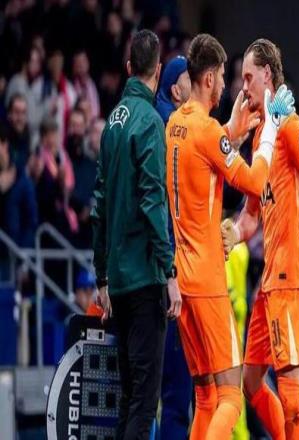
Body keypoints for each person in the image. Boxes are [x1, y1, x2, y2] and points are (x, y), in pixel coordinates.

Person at [165, 33, 295, 440]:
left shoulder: (175, 124)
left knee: (206, 397)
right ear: (209, 79)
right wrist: (270, 131)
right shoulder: (207, 131)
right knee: (231, 398)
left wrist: (232, 132)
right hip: (207, 281)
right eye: (223, 76)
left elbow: (204, 156)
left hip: (182, 277)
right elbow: (255, 180)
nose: (228, 85)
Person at [221, 38, 299, 439]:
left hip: (291, 276)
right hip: (269, 282)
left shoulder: (289, 126)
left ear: (268, 74)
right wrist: (232, 232)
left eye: (248, 78)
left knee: (291, 396)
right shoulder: (261, 138)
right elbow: (251, 215)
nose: (243, 88)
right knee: (251, 381)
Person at [91, 29, 181, 440]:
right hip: (145, 279)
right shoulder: (150, 121)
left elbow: (99, 205)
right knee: (144, 404)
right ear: (158, 71)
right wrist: (169, 270)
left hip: (118, 282)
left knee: (128, 399)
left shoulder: (111, 123)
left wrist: (102, 277)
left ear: (129, 67)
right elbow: (153, 201)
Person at [155, 55, 192, 440]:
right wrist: (171, 272)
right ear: (174, 89)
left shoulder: (152, 123)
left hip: (148, 273)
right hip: (171, 276)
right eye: (188, 79)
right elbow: (167, 210)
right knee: (177, 396)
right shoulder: (173, 130)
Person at [0, 122, 38, 248]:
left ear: (4, 144)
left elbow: (31, 221)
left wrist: (21, 253)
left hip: (14, 252)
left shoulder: (21, 179)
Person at [67, 108, 96, 248]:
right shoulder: (61, 160)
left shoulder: (92, 165)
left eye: (79, 126)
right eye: (73, 125)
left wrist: (89, 206)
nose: (76, 131)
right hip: (64, 233)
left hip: (88, 236)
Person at [72, 50, 100, 121]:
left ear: (88, 63)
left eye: (83, 61)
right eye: (78, 63)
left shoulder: (95, 83)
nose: (81, 65)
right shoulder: (71, 86)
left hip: (94, 121)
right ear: (74, 67)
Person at [6, 93, 31, 170]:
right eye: (16, 112)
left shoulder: (27, 135)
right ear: (9, 114)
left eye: (23, 113)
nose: (20, 118)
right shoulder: (3, 139)